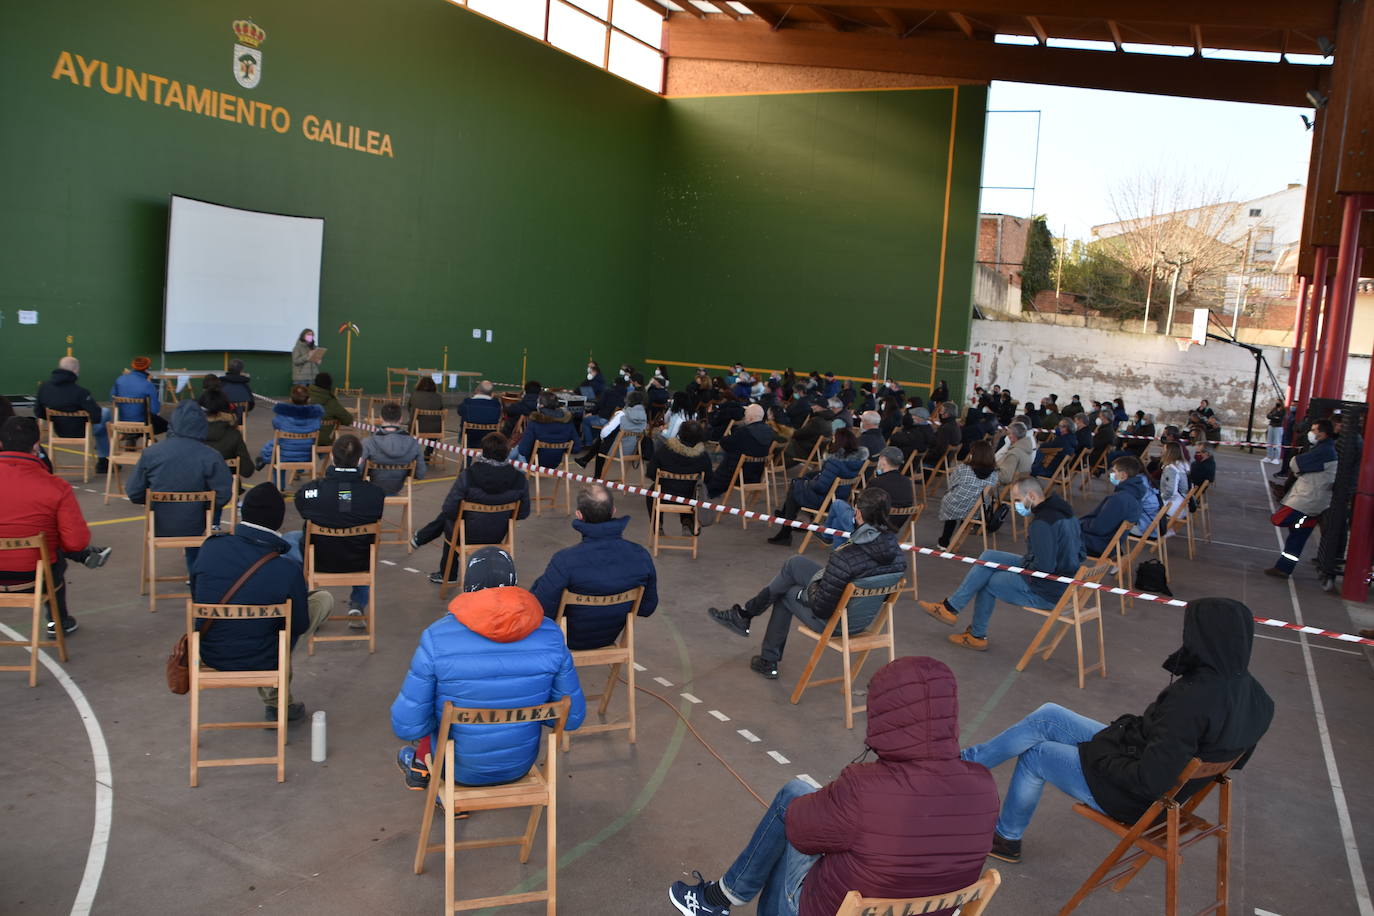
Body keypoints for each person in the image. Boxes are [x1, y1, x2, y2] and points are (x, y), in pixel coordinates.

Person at [670, 655, 999, 916]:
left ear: (883, 716)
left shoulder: (864, 788)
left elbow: (800, 831)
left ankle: (719, 897)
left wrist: (840, 804)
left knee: (794, 799)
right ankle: (721, 896)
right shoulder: (985, 786)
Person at [963, 597, 1273, 863]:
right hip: (1152, 766)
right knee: (1049, 716)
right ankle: (964, 764)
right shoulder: (1259, 698)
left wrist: (1096, 755)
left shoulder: (1191, 700)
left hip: (1138, 798)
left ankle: (1006, 838)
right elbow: (1234, 761)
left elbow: (1149, 781)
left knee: (1037, 755)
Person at [391, 547, 586, 791]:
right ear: (514, 584)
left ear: (468, 585)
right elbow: (572, 718)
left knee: (429, 709)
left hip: (455, 768)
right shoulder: (550, 635)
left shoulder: (436, 637)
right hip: (519, 765)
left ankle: (432, 779)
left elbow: (406, 724)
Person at [711, 487, 904, 679]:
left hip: (836, 622)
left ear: (858, 513)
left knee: (786, 593)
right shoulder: (896, 554)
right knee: (795, 564)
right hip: (861, 618)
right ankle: (745, 615)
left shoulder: (845, 556)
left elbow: (821, 608)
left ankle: (766, 656)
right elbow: (883, 594)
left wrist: (811, 586)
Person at [189, 483, 334, 721]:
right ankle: (277, 700)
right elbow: (298, 625)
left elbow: (197, 596)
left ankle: (277, 700)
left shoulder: (210, 548)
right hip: (264, 658)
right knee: (317, 603)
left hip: (211, 652)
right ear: (278, 522)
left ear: (243, 514)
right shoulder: (286, 569)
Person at [920, 477, 1084, 651]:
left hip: (1047, 589)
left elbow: (1044, 568)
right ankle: (950, 607)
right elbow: (1081, 553)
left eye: (1017, 500)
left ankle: (976, 635)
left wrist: (1022, 567)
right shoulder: (1067, 515)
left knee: (989, 581)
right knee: (989, 556)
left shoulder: (1042, 524)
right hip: (1063, 580)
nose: (1015, 505)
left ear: (1032, 496)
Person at [0, 416, 112, 636]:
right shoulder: (56, 487)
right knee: (52, 550)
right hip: (33, 577)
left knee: (49, 544)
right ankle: (57, 623)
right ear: (35, 447)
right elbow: (76, 542)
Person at [530, 484, 658, 651]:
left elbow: (543, 611)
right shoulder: (640, 556)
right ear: (613, 511)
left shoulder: (565, 560)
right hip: (609, 637)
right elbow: (647, 608)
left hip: (567, 639)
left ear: (579, 515)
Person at [288, 435, 385, 627]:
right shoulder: (375, 495)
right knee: (365, 542)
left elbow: (304, 507)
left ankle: (305, 606)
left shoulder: (310, 491)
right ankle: (357, 604)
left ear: (332, 457)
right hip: (358, 561)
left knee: (287, 540)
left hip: (319, 559)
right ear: (360, 460)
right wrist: (342, 510)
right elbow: (345, 501)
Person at [127, 401, 233, 575]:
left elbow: (134, 492)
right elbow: (223, 494)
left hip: (160, 524)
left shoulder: (151, 453)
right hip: (198, 525)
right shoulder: (211, 455)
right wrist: (204, 506)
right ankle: (196, 577)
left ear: (173, 423)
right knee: (200, 529)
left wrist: (153, 503)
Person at [416, 432, 530, 584]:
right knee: (452, 519)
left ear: (483, 451)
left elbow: (449, 508)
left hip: (467, 534)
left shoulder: (468, 475)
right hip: (498, 534)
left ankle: (448, 574)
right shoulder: (519, 479)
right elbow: (523, 513)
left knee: (451, 521)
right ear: (507, 453)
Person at [767, 427, 867, 547]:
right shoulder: (856, 461)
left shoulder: (834, 462)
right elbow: (828, 476)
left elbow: (821, 487)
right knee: (798, 483)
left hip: (825, 500)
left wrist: (807, 483)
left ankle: (785, 531)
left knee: (795, 487)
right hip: (839, 498)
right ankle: (791, 522)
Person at [1265, 418, 1337, 578]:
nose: (1311, 433)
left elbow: (1295, 463)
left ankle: (1284, 566)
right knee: (1297, 537)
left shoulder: (1323, 451)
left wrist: (1299, 468)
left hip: (1307, 500)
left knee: (1278, 519)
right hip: (1316, 502)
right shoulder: (1327, 449)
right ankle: (1284, 567)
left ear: (1323, 433)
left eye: (1314, 430)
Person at [35, 356, 108, 471]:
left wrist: (54, 418)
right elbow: (96, 416)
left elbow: (38, 412)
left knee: (103, 420)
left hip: (58, 430)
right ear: (75, 371)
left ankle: (103, 459)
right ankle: (103, 460)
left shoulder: (44, 388)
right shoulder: (81, 392)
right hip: (82, 431)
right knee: (105, 415)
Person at [643, 420, 711, 536]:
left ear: (680, 433)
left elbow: (650, 472)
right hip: (690, 499)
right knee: (692, 490)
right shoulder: (702, 456)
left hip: (664, 495)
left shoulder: (665, 450)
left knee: (651, 492)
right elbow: (708, 478)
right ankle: (687, 522)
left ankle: (657, 523)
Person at [1078, 456, 1148, 557]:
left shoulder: (1120, 499)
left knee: (1056, 534)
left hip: (1099, 544)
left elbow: (1099, 527)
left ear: (1123, 475)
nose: (1111, 474)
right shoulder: (1136, 495)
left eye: (1114, 471)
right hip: (1110, 543)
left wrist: (1079, 524)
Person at [706, 404, 781, 498]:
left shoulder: (744, 432)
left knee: (718, 460)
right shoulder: (770, 431)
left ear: (749, 418)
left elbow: (724, 443)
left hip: (739, 474)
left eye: (745, 416)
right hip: (757, 474)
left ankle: (710, 492)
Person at [937, 440, 998, 548]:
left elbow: (952, 484)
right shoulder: (994, 474)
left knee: (951, 501)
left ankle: (944, 541)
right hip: (976, 509)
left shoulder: (964, 469)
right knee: (965, 508)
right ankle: (960, 536)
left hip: (956, 504)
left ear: (973, 454)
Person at [255, 385, 324, 478]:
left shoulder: (281, 418)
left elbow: (275, 425)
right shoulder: (315, 419)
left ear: (291, 399)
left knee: (275, 446)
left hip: (283, 456)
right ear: (308, 400)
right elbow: (318, 427)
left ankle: (279, 486)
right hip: (307, 456)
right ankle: (299, 471)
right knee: (281, 444)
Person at [360, 402, 428, 493]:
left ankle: (344, 506)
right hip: (397, 488)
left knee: (344, 489)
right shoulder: (413, 443)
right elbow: (421, 474)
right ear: (400, 419)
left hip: (372, 490)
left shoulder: (368, 442)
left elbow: (358, 471)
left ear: (381, 418)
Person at [198, 388, 254, 485]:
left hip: (197, 493)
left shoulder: (190, 435)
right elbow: (247, 471)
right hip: (228, 492)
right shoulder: (233, 435)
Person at [513, 391, 577, 467]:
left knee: (518, 448)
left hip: (535, 462)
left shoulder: (535, 423)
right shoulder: (568, 423)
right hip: (555, 463)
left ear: (541, 406)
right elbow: (576, 448)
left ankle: (501, 464)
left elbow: (523, 451)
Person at [110, 356, 168, 435]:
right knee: (165, 425)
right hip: (142, 424)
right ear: (147, 368)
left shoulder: (120, 379)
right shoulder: (148, 385)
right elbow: (154, 410)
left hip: (121, 421)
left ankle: (131, 437)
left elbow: (112, 400)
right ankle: (144, 438)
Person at [307, 372, 353, 446]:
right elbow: (348, 420)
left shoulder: (302, 396)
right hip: (322, 441)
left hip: (301, 439)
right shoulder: (332, 402)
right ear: (329, 385)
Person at [457, 380, 503, 450]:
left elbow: (459, 412)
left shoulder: (467, 402)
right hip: (489, 438)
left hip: (470, 437)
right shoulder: (496, 404)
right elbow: (499, 416)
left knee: (465, 430)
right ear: (491, 393)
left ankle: (466, 460)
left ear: (477, 390)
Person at [407, 375, 445, 455]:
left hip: (417, 428)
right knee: (435, 427)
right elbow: (441, 410)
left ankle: (413, 453)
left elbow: (409, 409)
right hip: (435, 429)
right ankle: (428, 452)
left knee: (410, 427)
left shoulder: (414, 395)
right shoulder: (438, 397)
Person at [924, 402, 961, 477]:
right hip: (946, 461)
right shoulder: (955, 425)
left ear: (946, 414)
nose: (939, 413)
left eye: (941, 411)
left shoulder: (945, 428)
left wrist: (925, 454)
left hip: (937, 462)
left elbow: (940, 449)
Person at [1157, 441, 1191, 517]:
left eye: (1164, 449)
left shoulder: (1171, 469)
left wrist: (1160, 497)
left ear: (1169, 453)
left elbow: (1171, 491)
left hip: (1172, 507)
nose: (1161, 452)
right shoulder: (1184, 465)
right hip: (1183, 505)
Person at [995, 421, 1034, 485]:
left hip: (1003, 486)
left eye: (1008, 434)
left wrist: (989, 471)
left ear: (1013, 436)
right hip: (1019, 485)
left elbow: (1005, 478)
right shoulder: (1025, 449)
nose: (1007, 436)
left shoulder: (1014, 453)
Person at [1263, 399, 1286, 464]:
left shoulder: (1283, 410)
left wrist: (1273, 417)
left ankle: (1276, 458)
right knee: (1269, 441)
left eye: (1278, 402)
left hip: (1278, 427)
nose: (1277, 403)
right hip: (1271, 426)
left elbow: (1280, 419)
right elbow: (1268, 416)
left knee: (1277, 442)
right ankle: (1269, 456)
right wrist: (1274, 417)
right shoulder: (1274, 409)